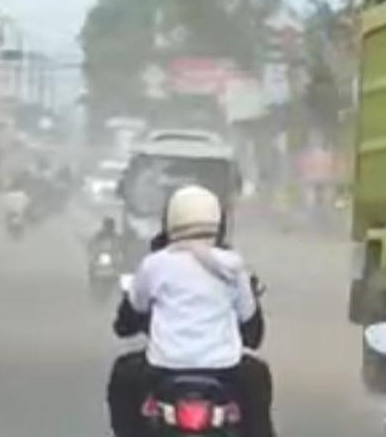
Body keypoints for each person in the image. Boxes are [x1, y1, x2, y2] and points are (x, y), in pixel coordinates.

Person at [106, 185, 274, 437]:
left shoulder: (154, 265)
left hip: (162, 368)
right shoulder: (233, 267)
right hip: (226, 369)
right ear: (218, 223)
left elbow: (125, 323)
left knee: (123, 373)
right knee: (258, 379)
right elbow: (253, 332)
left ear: (170, 221)